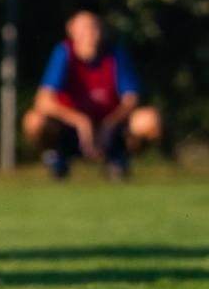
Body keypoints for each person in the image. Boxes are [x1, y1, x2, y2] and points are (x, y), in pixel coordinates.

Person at [23, 10, 163, 180]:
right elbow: (43, 100)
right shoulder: (64, 53)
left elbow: (132, 99)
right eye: (83, 29)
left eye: (94, 28)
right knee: (34, 120)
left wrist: (109, 124)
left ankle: (120, 160)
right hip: (71, 130)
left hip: (111, 130)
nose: (89, 34)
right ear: (71, 31)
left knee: (150, 120)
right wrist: (79, 120)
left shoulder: (114, 53)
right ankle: (56, 159)